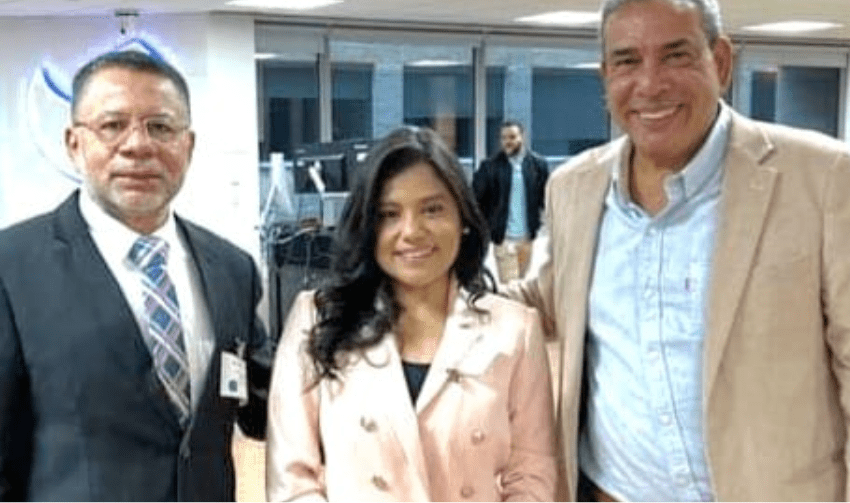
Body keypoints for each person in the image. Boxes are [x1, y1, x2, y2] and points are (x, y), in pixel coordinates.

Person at [506, 0, 850, 501]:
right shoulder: (574, 187)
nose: (650, 84)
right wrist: (413, 288)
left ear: (721, 62)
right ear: (605, 77)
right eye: (627, 61)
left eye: (676, 56)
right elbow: (545, 299)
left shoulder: (823, 178)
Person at [0, 50, 272, 501]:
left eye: (160, 127)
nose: (138, 146)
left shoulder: (231, 268)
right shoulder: (12, 267)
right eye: (112, 125)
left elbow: (264, 408)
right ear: (74, 143)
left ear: (188, 145)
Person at [266, 126, 556, 501]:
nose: (412, 232)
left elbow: (532, 474)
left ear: (463, 219)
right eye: (389, 214)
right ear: (367, 226)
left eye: (432, 209)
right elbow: (292, 480)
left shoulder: (515, 329)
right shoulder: (317, 318)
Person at [473, 120, 549, 283]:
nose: (507, 141)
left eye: (512, 137)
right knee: (510, 286)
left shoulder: (537, 165)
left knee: (520, 284)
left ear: (522, 137)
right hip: (504, 239)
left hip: (527, 238)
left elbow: (545, 198)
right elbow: (476, 199)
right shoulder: (490, 167)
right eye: (504, 138)